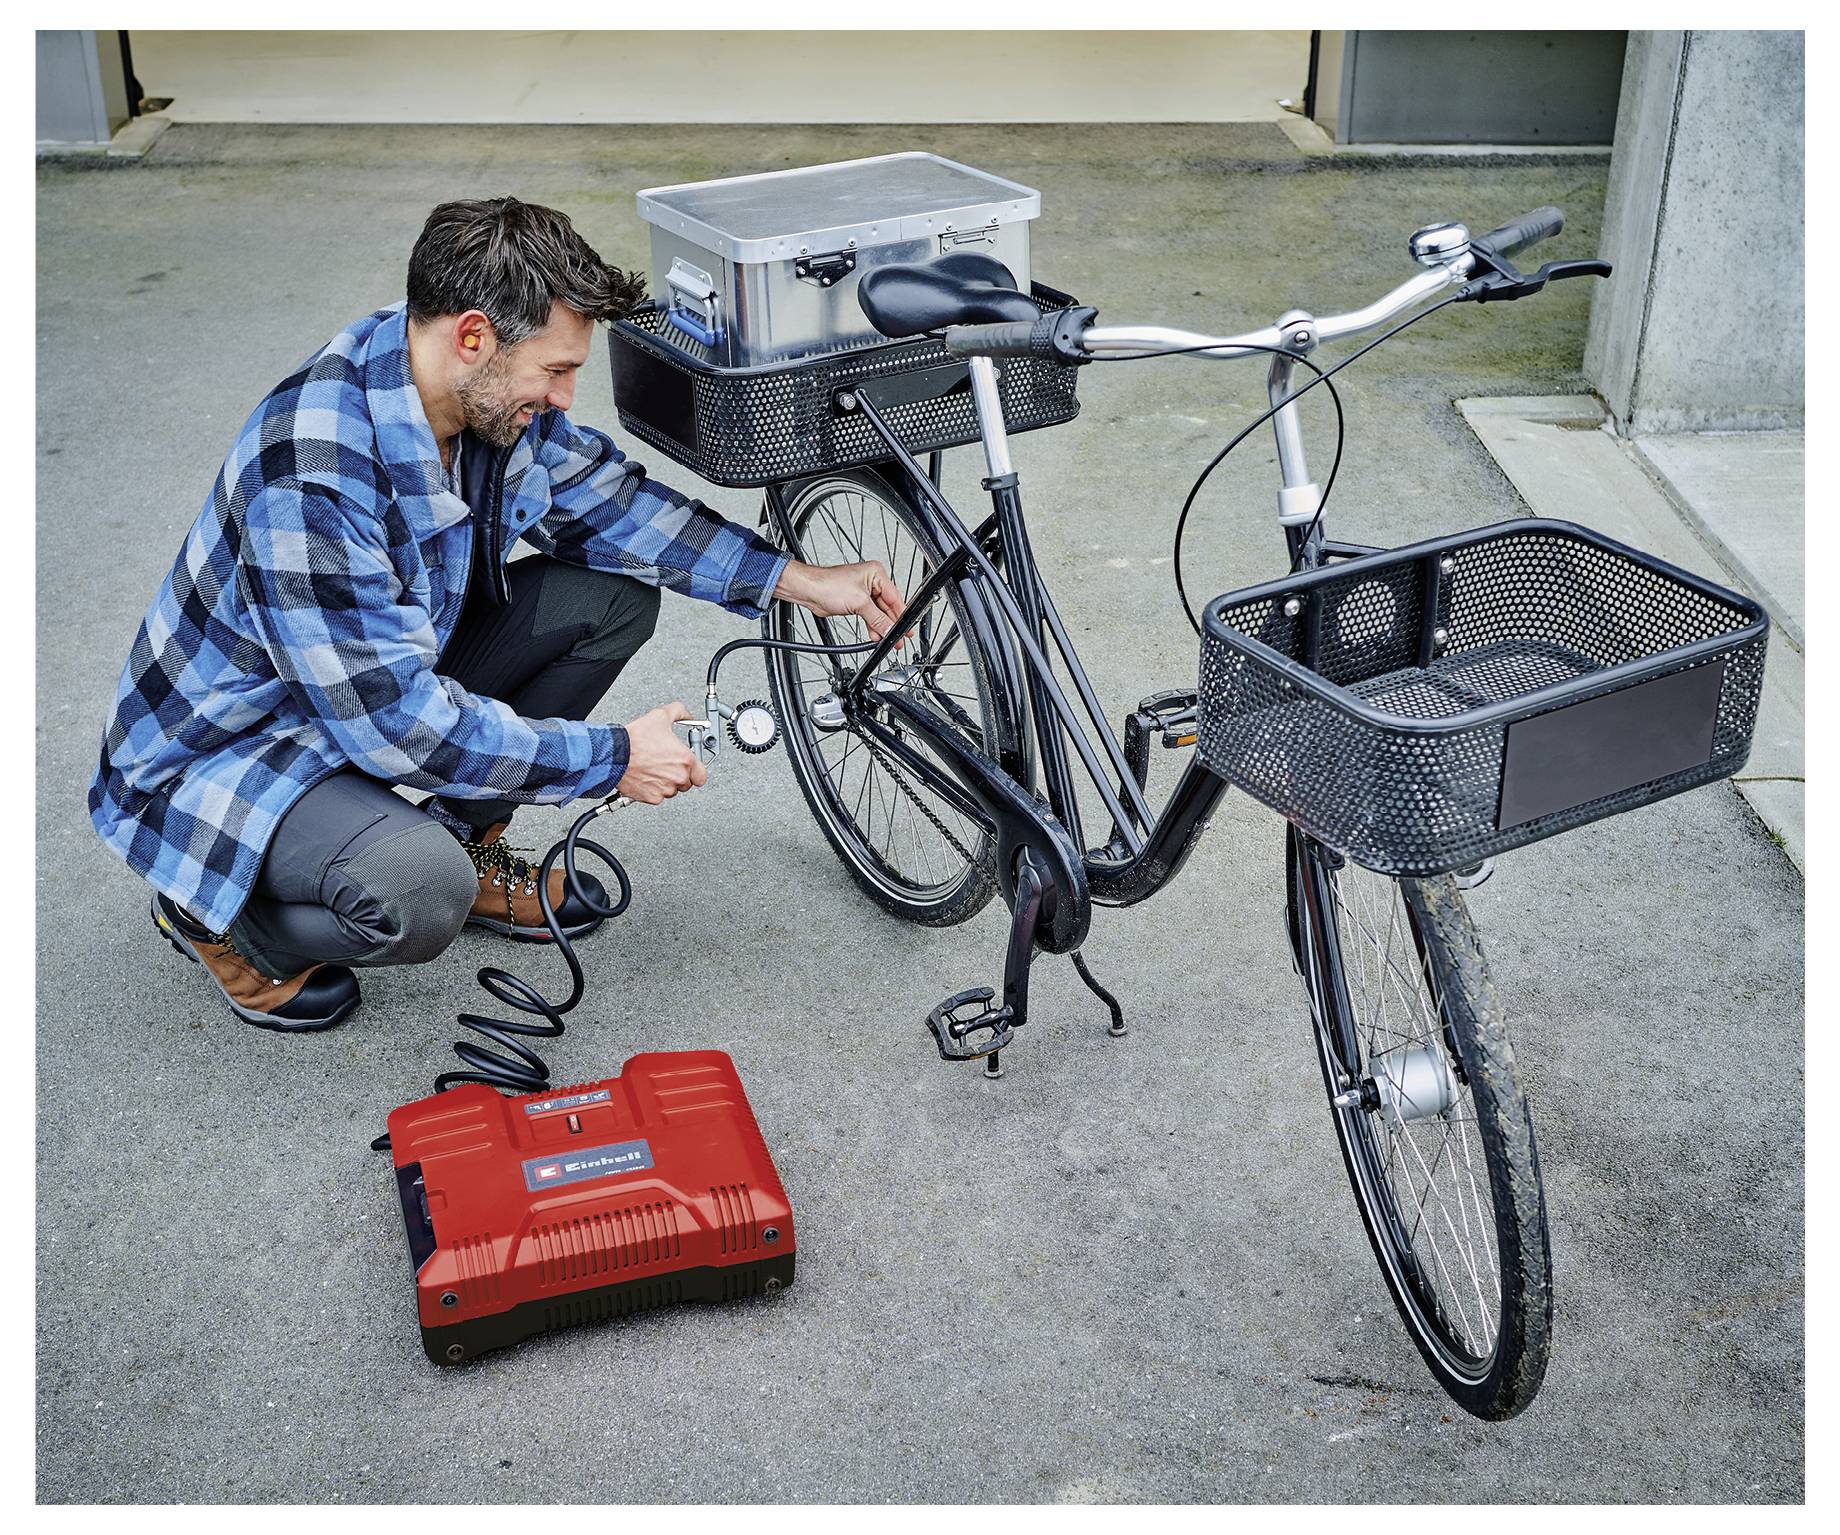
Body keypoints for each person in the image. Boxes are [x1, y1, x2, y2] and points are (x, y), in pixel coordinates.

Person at [90, 197, 905, 1032]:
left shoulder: (455, 383)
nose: (565, 396)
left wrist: (798, 580)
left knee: (608, 599)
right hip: (233, 754)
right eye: (555, 370)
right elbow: (397, 729)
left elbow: (611, 507)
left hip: (365, 686)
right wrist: (613, 756)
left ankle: (466, 834)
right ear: (474, 336)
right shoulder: (312, 479)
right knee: (417, 889)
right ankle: (219, 918)